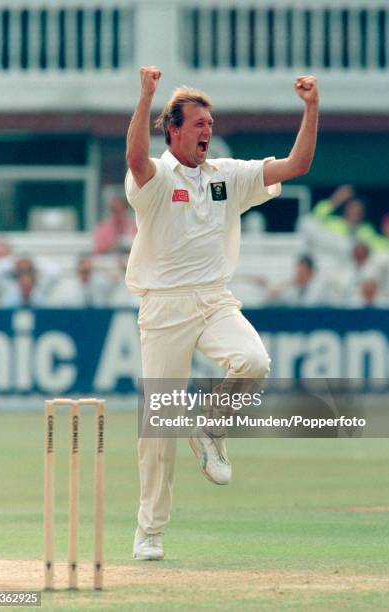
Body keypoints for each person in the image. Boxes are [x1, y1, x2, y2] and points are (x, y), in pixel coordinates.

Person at [125, 66, 319, 561]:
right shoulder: (156, 176)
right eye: (198, 124)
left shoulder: (227, 176)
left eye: (210, 124)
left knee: (253, 361)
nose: (207, 131)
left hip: (214, 298)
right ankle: (149, 531)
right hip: (164, 305)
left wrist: (312, 108)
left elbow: (297, 164)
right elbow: (133, 157)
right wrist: (145, 95)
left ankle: (211, 426)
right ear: (173, 130)